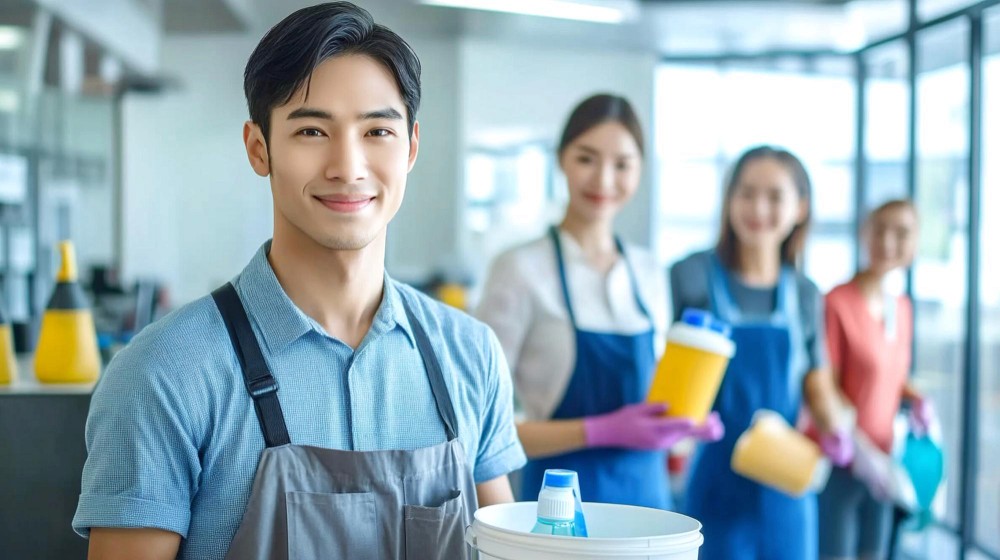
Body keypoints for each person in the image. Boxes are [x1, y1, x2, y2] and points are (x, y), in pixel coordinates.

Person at [72, 4, 525, 559]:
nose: (348, 165)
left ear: (409, 148)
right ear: (259, 148)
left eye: (377, 130)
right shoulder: (164, 373)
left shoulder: (470, 356)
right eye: (311, 130)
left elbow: (507, 549)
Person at [476, 94, 722, 511]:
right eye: (587, 158)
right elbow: (483, 429)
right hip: (559, 510)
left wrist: (682, 424)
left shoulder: (649, 272)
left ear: (640, 170)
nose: (604, 180)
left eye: (622, 165)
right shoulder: (519, 269)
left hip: (648, 506)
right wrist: (599, 430)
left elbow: (653, 402)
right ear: (561, 159)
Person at [670, 145, 852, 560]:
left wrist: (835, 427)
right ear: (729, 199)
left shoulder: (805, 295)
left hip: (786, 473)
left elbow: (816, 380)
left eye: (774, 197)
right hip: (716, 477)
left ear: (800, 208)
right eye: (746, 193)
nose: (758, 208)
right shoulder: (690, 276)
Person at [819, 199, 933, 560]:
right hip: (845, 460)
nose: (887, 241)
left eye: (901, 233)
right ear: (864, 234)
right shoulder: (837, 302)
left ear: (915, 243)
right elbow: (825, 385)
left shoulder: (901, 307)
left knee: (876, 552)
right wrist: (854, 444)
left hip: (887, 463)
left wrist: (917, 400)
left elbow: (894, 375)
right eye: (879, 229)